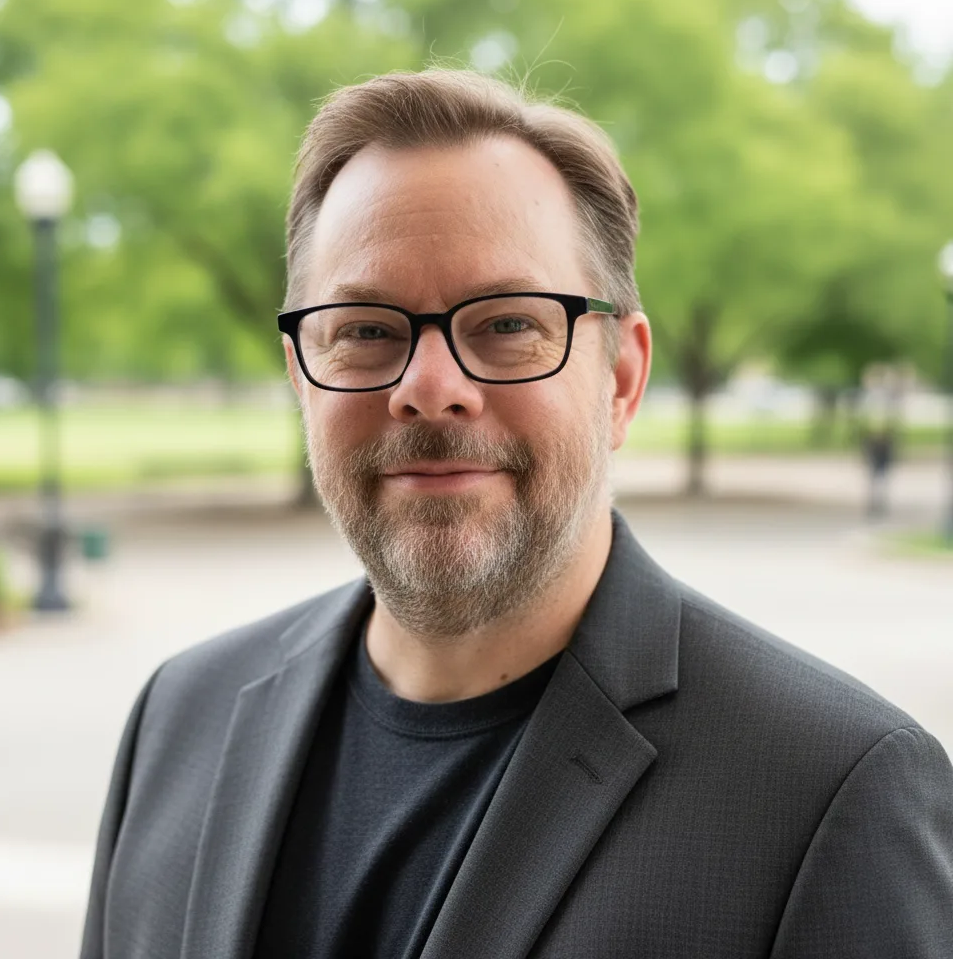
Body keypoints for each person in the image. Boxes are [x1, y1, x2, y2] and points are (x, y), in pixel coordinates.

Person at [80, 70, 953, 959]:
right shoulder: (178, 718)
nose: (430, 389)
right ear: (303, 376)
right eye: (365, 329)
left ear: (621, 380)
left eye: (507, 325)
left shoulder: (832, 791)